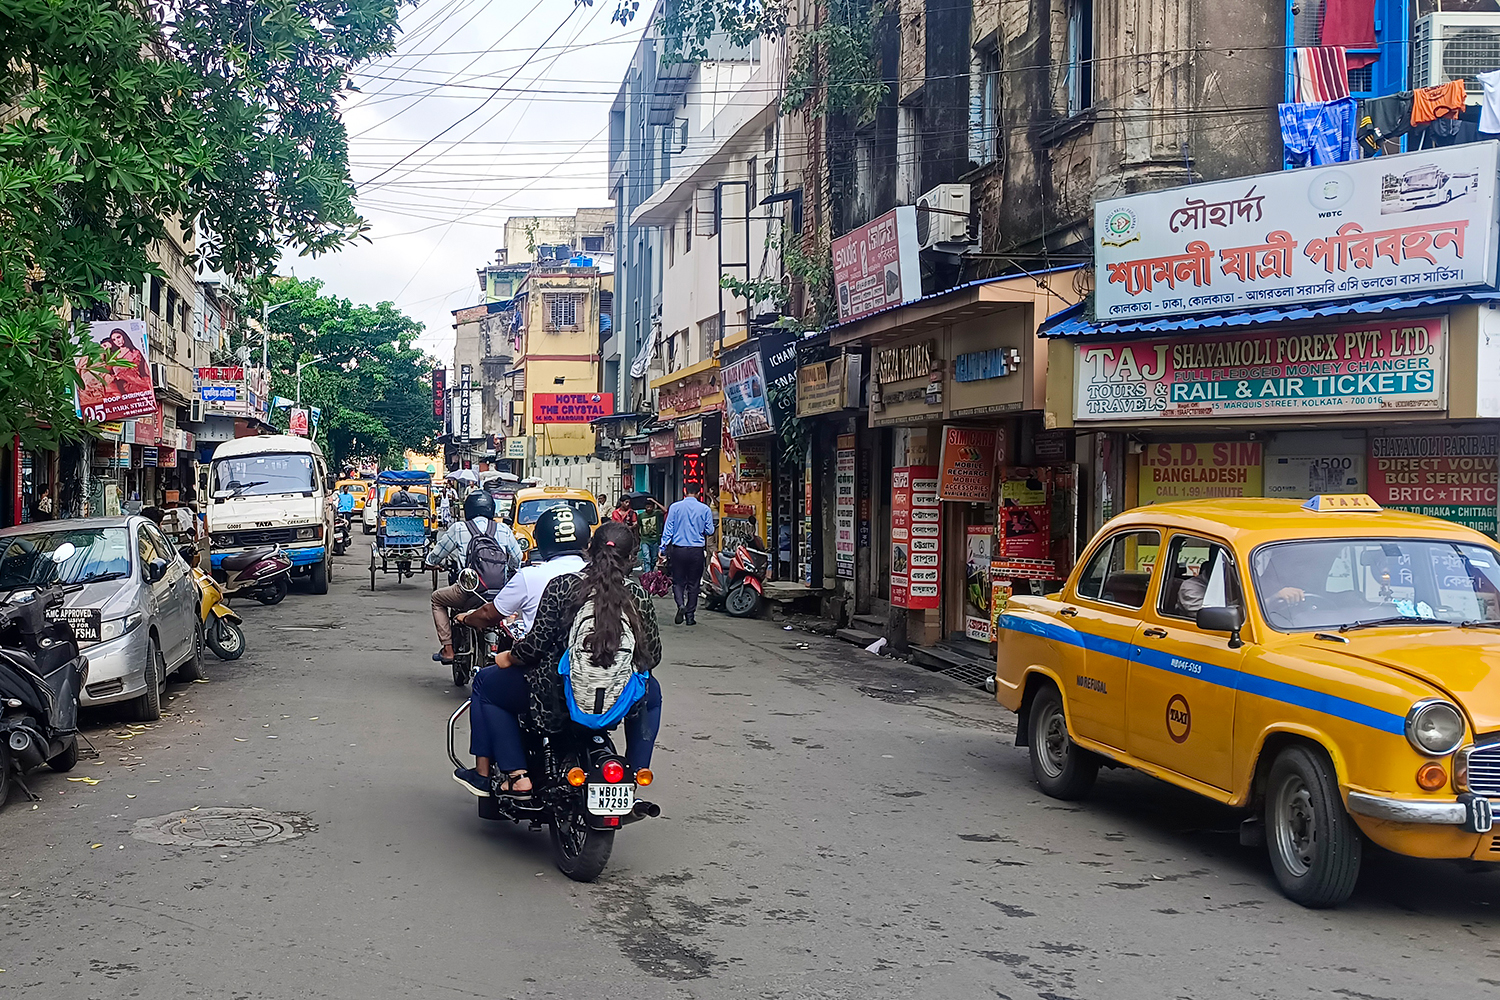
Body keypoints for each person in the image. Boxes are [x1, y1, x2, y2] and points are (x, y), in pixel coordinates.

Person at [453, 519, 662, 797]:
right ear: (631, 557)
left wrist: (508, 657)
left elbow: (536, 645)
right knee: (653, 693)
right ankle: (636, 771)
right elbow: (652, 656)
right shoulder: (638, 595)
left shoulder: (562, 586)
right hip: (618, 698)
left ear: (590, 549)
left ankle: (518, 777)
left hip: (555, 697)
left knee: (486, 686)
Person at [425, 491, 522, 663]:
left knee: (436, 599)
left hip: (469, 591)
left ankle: (448, 649)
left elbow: (436, 555)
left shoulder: (459, 528)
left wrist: (432, 562)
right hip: (499, 592)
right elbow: (517, 558)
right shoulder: (503, 530)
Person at [489, 506, 591, 636]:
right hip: (591, 653)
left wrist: (466, 618)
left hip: (542, 653)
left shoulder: (528, 576)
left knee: (501, 657)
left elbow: (491, 614)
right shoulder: (600, 572)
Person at [658, 482, 715, 625]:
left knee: (678, 582)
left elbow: (668, 529)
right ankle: (690, 616)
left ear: (685, 491)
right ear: (698, 493)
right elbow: (710, 531)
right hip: (696, 551)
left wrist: (662, 548)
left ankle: (680, 605)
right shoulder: (705, 509)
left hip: (678, 550)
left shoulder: (675, 507)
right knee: (694, 584)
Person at [637, 498, 664, 574]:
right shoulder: (641, 516)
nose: (649, 508)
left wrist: (655, 501)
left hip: (655, 540)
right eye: (647, 507)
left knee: (654, 559)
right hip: (645, 540)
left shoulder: (656, 513)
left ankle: (651, 572)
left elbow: (665, 510)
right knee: (646, 558)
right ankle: (647, 574)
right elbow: (639, 526)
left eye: (650, 507)